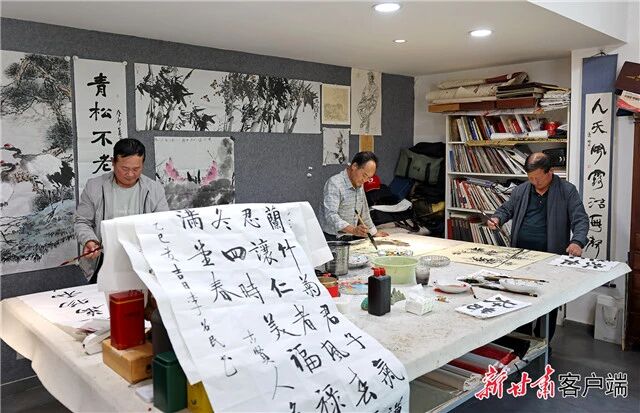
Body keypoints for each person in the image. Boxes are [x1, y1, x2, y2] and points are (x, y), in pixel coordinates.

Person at [488, 152, 589, 342]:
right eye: (530, 178)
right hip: (521, 257)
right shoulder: (522, 190)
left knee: (547, 304)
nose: (534, 182)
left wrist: (577, 241)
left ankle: (543, 345)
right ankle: (522, 344)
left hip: (550, 258)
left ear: (550, 171)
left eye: (538, 178)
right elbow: (506, 209)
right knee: (520, 300)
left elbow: (580, 219)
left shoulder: (567, 190)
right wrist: (497, 218)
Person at [75, 138, 169, 283]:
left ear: (143, 164)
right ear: (113, 162)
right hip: (103, 259)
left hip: (142, 260)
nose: (130, 174)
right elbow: (82, 221)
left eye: (136, 169)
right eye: (124, 169)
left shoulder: (154, 190)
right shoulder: (95, 187)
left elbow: (163, 225)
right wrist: (90, 240)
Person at [318, 151, 389, 241]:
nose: (365, 180)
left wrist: (373, 232)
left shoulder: (359, 183)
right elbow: (330, 215)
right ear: (354, 166)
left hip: (349, 236)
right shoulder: (335, 183)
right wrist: (353, 230)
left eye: (368, 178)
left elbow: (364, 211)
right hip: (332, 238)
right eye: (364, 175)